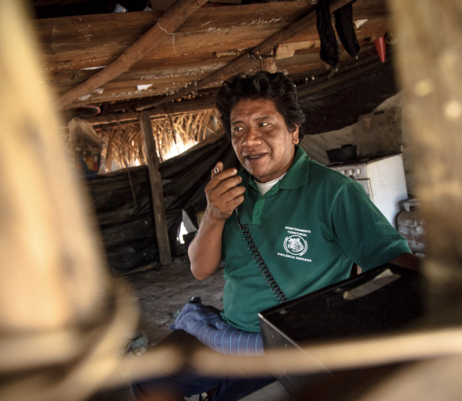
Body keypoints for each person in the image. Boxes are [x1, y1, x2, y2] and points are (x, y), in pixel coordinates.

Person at [136, 71, 420, 401]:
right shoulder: (229, 189)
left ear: (294, 131)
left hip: (295, 343)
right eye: (238, 129)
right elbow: (200, 269)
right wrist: (214, 214)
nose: (249, 140)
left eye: (264, 124)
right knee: (149, 380)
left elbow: (392, 259)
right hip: (231, 332)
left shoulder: (333, 191)